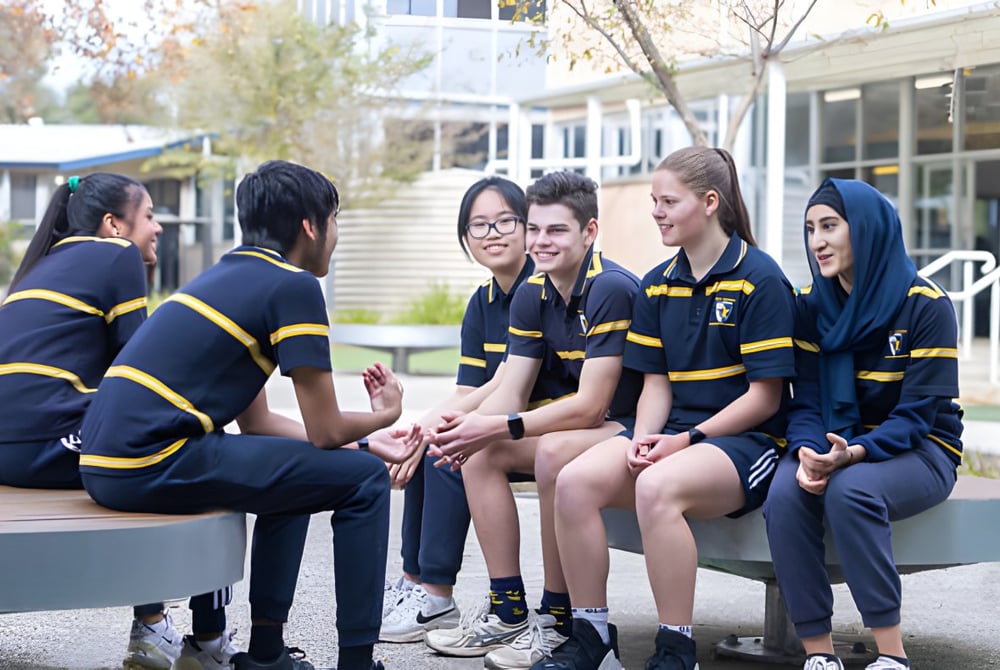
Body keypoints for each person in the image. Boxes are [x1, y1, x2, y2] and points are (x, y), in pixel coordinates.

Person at [78, 160, 421, 670]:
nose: (336, 234)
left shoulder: (222, 278)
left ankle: (266, 655)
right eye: (335, 219)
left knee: (298, 471)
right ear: (311, 225)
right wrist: (384, 416)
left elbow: (260, 426)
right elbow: (326, 430)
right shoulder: (293, 286)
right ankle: (357, 661)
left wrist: (365, 443)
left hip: (109, 462)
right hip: (153, 459)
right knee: (366, 483)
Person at [538, 147, 797, 670]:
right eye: (653, 200)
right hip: (675, 433)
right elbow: (656, 384)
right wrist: (643, 438)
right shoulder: (657, 283)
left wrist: (686, 440)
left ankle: (677, 648)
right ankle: (592, 636)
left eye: (668, 201)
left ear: (708, 202)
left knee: (657, 486)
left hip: (746, 442)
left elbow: (765, 397)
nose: (656, 211)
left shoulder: (761, 279)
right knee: (573, 481)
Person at [0, 172, 235, 670]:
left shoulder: (41, 266)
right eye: (149, 216)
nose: (158, 228)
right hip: (45, 445)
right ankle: (204, 641)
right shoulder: (117, 256)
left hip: (11, 449)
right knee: (208, 453)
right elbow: (139, 371)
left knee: (150, 444)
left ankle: (154, 626)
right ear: (114, 224)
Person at [426, 170, 642, 670]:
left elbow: (592, 406)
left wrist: (498, 425)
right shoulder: (533, 293)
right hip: (585, 427)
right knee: (477, 452)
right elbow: (511, 389)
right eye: (537, 229)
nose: (542, 242)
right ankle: (508, 610)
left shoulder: (610, 288)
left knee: (548, 452)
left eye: (557, 231)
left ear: (589, 232)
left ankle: (557, 618)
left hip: (632, 426)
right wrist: (457, 429)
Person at [762, 178, 963, 670]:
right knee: (785, 494)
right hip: (833, 442)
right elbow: (805, 399)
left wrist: (850, 455)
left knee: (851, 491)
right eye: (810, 229)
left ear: (867, 230)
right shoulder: (810, 306)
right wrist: (808, 452)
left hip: (922, 448)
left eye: (830, 226)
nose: (817, 242)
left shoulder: (925, 305)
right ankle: (819, 655)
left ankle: (891, 656)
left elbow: (916, 417)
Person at [378, 176, 539, 643]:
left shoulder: (540, 288)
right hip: (498, 419)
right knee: (429, 442)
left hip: (535, 419)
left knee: (448, 449)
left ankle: (435, 595)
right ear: (466, 238)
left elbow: (505, 382)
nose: (492, 233)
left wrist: (435, 428)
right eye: (479, 226)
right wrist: (420, 426)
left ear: (527, 226)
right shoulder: (482, 301)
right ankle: (415, 586)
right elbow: (467, 389)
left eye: (505, 221)